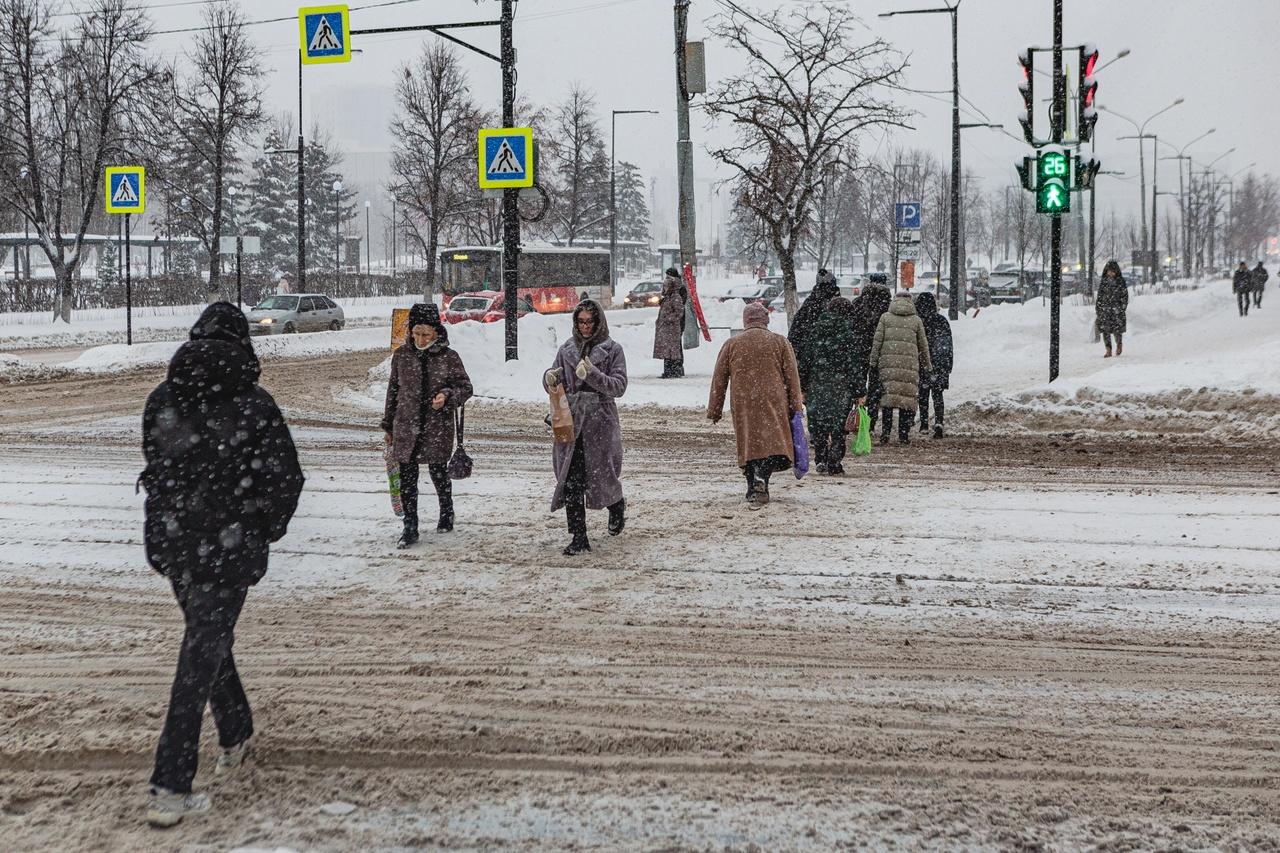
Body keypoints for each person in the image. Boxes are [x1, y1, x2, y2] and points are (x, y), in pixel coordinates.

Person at [139, 302, 304, 827]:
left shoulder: (163, 397)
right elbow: (285, 478)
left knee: (206, 640)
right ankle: (171, 783)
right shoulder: (256, 403)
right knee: (201, 651)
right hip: (231, 546)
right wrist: (260, 527)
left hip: (175, 542)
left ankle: (235, 733)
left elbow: (155, 463)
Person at [382, 303, 473, 547]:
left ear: (436, 332)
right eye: (416, 333)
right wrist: (388, 426)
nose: (420, 339)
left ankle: (446, 511)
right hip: (406, 425)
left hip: (437, 427)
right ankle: (410, 527)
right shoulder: (402, 356)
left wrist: (446, 396)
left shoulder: (449, 357)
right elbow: (392, 392)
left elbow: (465, 387)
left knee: (438, 472)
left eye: (426, 334)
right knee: (408, 478)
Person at [544, 299, 628, 555]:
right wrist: (549, 378)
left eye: (589, 321)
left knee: (603, 477)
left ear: (599, 321)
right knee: (570, 480)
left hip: (599, 424)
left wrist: (592, 374)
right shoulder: (566, 349)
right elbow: (555, 380)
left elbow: (619, 386)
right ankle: (579, 537)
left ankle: (616, 505)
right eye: (580, 321)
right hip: (570, 422)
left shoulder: (613, 349)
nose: (585, 327)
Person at [707, 302, 804, 508]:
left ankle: (753, 484)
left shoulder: (732, 344)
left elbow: (719, 379)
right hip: (774, 400)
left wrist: (715, 409)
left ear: (745, 321)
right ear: (766, 320)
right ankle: (761, 481)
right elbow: (792, 377)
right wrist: (796, 404)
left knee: (749, 442)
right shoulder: (780, 342)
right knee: (770, 442)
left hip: (744, 401)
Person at [800, 296, 865, 475]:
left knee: (818, 424)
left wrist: (802, 387)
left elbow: (805, 362)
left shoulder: (816, 331)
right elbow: (854, 365)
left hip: (816, 386)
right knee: (838, 427)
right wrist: (860, 391)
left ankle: (821, 458)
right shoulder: (848, 335)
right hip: (840, 388)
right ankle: (834, 462)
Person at [869, 284, 932, 445]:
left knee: (888, 400)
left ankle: (885, 434)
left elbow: (877, 342)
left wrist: (873, 361)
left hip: (888, 365)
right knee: (906, 400)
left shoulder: (885, 318)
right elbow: (923, 345)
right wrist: (927, 364)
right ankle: (903, 435)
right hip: (909, 366)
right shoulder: (916, 320)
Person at [786, 268, 841, 389]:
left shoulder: (809, 304)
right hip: (835, 366)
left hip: (810, 363)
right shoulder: (838, 305)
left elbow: (795, 333)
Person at [913, 291, 953, 438]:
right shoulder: (941, 321)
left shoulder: (918, 321)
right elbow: (948, 345)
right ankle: (938, 422)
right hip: (940, 363)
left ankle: (924, 424)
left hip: (922, 362)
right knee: (937, 394)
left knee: (923, 394)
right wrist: (948, 365)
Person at [854, 283, 893, 432]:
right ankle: (871, 419)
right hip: (880, 351)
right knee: (876, 387)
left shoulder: (858, 304)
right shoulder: (886, 306)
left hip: (860, 349)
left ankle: (861, 417)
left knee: (860, 386)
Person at [653, 266, 687, 378]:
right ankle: (671, 370)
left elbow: (679, 310)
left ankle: (676, 370)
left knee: (674, 348)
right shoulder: (669, 295)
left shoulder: (677, 292)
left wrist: (668, 319)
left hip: (674, 326)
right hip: (669, 327)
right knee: (669, 349)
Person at [1095, 260, 1129, 358]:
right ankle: (1108, 349)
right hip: (1105, 310)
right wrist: (1098, 308)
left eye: (1112, 271)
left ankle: (1119, 344)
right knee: (1105, 331)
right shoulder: (1104, 282)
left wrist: (1121, 308)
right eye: (1108, 271)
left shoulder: (1120, 282)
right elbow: (1100, 296)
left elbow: (1124, 296)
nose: (1110, 273)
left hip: (1117, 310)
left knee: (1117, 330)